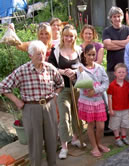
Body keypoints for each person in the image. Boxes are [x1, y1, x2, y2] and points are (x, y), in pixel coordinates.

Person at [0, 40, 64, 166]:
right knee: (35, 143)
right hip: (31, 108)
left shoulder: (50, 68)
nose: (41, 57)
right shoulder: (22, 71)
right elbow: (3, 87)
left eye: (43, 53)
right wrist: (16, 101)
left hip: (49, 106)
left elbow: (60, 83)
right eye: (38, 54)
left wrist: (55, 96)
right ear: (30, 56)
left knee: (52, 140)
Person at [48, 24, 86, 159]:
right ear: (62, 37)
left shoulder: (79, 50)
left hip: (76, 86)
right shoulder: (56, 51)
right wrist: (63, 71)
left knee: (77, 114)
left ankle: (75, 138)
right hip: (62, 87)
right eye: (66, 36)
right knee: (64, 116)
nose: (68, 38)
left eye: (71, 36)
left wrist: (74, 71)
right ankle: (64, 146)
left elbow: (84, 67)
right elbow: (50, 67)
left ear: (75, 37)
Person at [102, 6, 129, 129]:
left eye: (119, 16)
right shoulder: (107, 31)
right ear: (111, 18)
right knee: (113, 93)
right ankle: (115, 117)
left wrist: (113, 43)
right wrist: (123, 44)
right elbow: (107, 45)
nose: (117, 18)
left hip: (127, 67)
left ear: (122, 17)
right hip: (112, 67)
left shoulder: (128, 29)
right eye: (114, 16)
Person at [78, 44, 110, 157]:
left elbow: (106, 83)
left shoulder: (100, 68)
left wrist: (96, 90)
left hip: (98, 100)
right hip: (87, 101)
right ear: (85, 55)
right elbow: (81, 86)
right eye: (89, 55)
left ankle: (99, 143)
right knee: (91, 124)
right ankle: (94, 147)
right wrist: (87, 89)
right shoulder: (81, 68)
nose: (91, 57)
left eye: (93, 55)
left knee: (101, 126)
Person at [107, 63, 129, 147]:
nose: (121, 74)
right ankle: (117, 138)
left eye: (123, 72)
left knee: (124, 124)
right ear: (115, 73)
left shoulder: (128, 85)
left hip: (125, 109)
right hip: (115, 109)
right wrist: (110, 109)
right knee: (115, 124)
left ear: (126, 73)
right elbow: (109, 98)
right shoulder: (112, 85)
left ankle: (124, 137)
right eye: (119, 72)